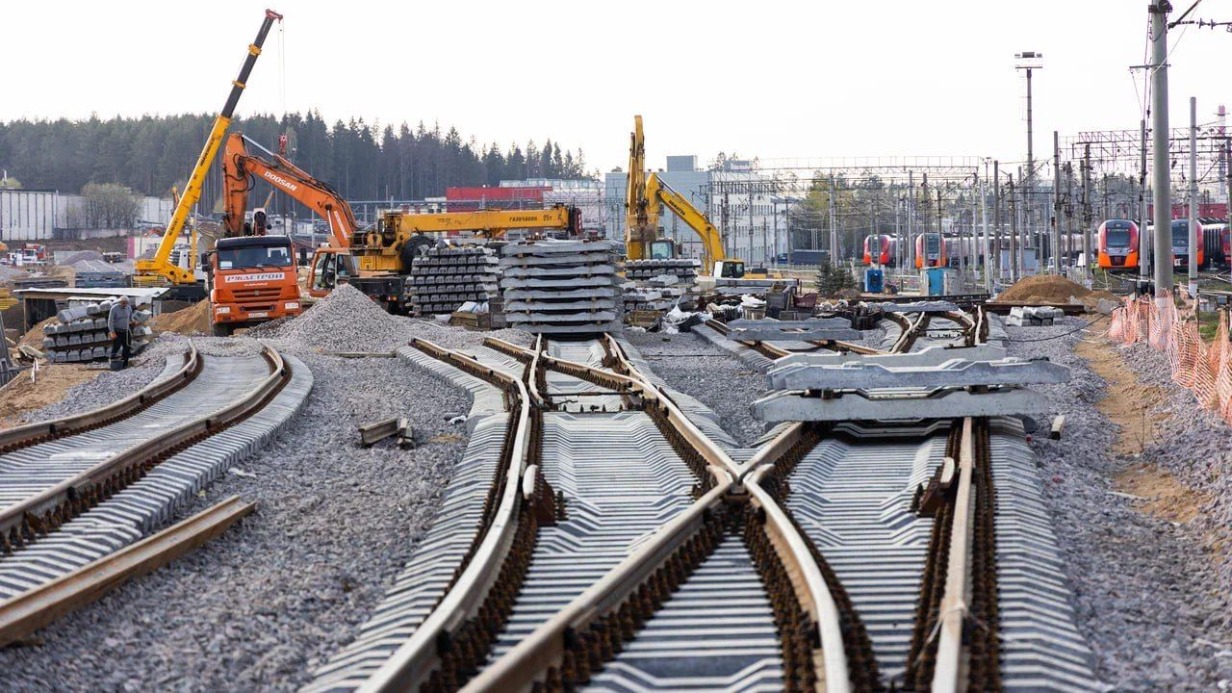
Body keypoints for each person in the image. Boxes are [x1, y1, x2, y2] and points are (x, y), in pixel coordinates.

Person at [108, 296, 136, 368]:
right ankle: (113, 363)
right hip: (117, 331)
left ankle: (125, 363)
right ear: (120, 302)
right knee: (116, 346)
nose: (124, 305)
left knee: (127, 347)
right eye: (123, 303)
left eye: (126, 303)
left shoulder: (128, 308)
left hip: (126, 331)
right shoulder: (114, 308)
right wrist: (112, 332)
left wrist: (133, 321)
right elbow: (110, 321)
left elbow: (130, 318)